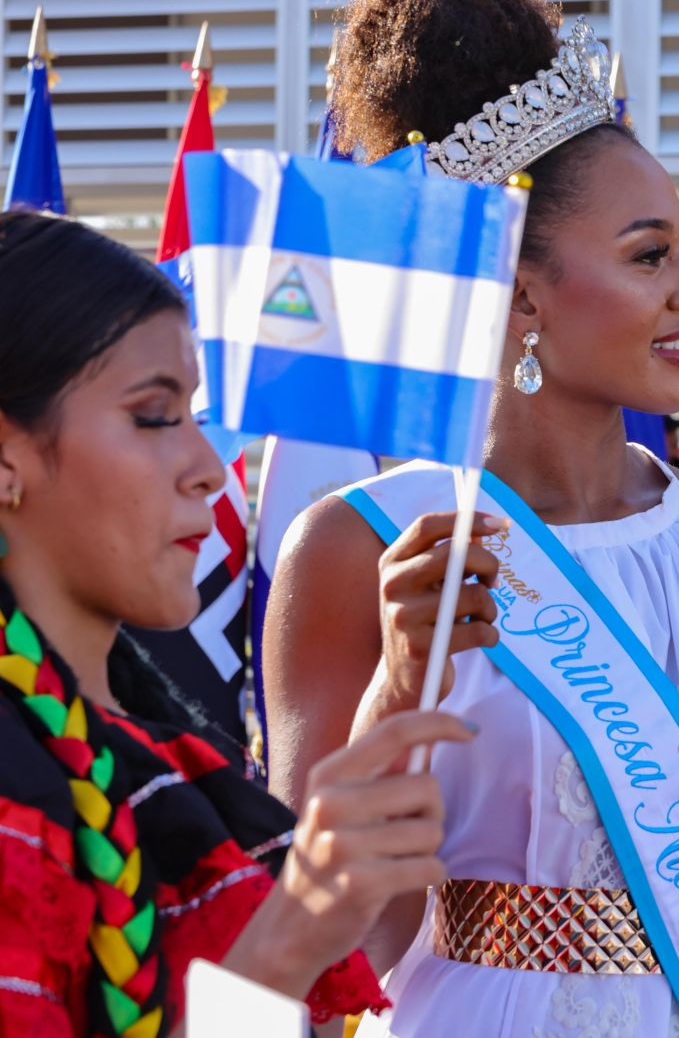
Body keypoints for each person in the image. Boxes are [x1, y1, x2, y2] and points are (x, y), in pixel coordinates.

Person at [261, 0, 679, 1038]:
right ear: (524, 288)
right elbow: (315, 936)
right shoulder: (364, 546)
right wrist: (400, 688)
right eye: (648, 254)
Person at [0, 210, 475, 1035]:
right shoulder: (27, 810)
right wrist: (286, 941)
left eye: (194, 413)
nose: (208, 469)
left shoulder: (186, 777)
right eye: (154, 416)